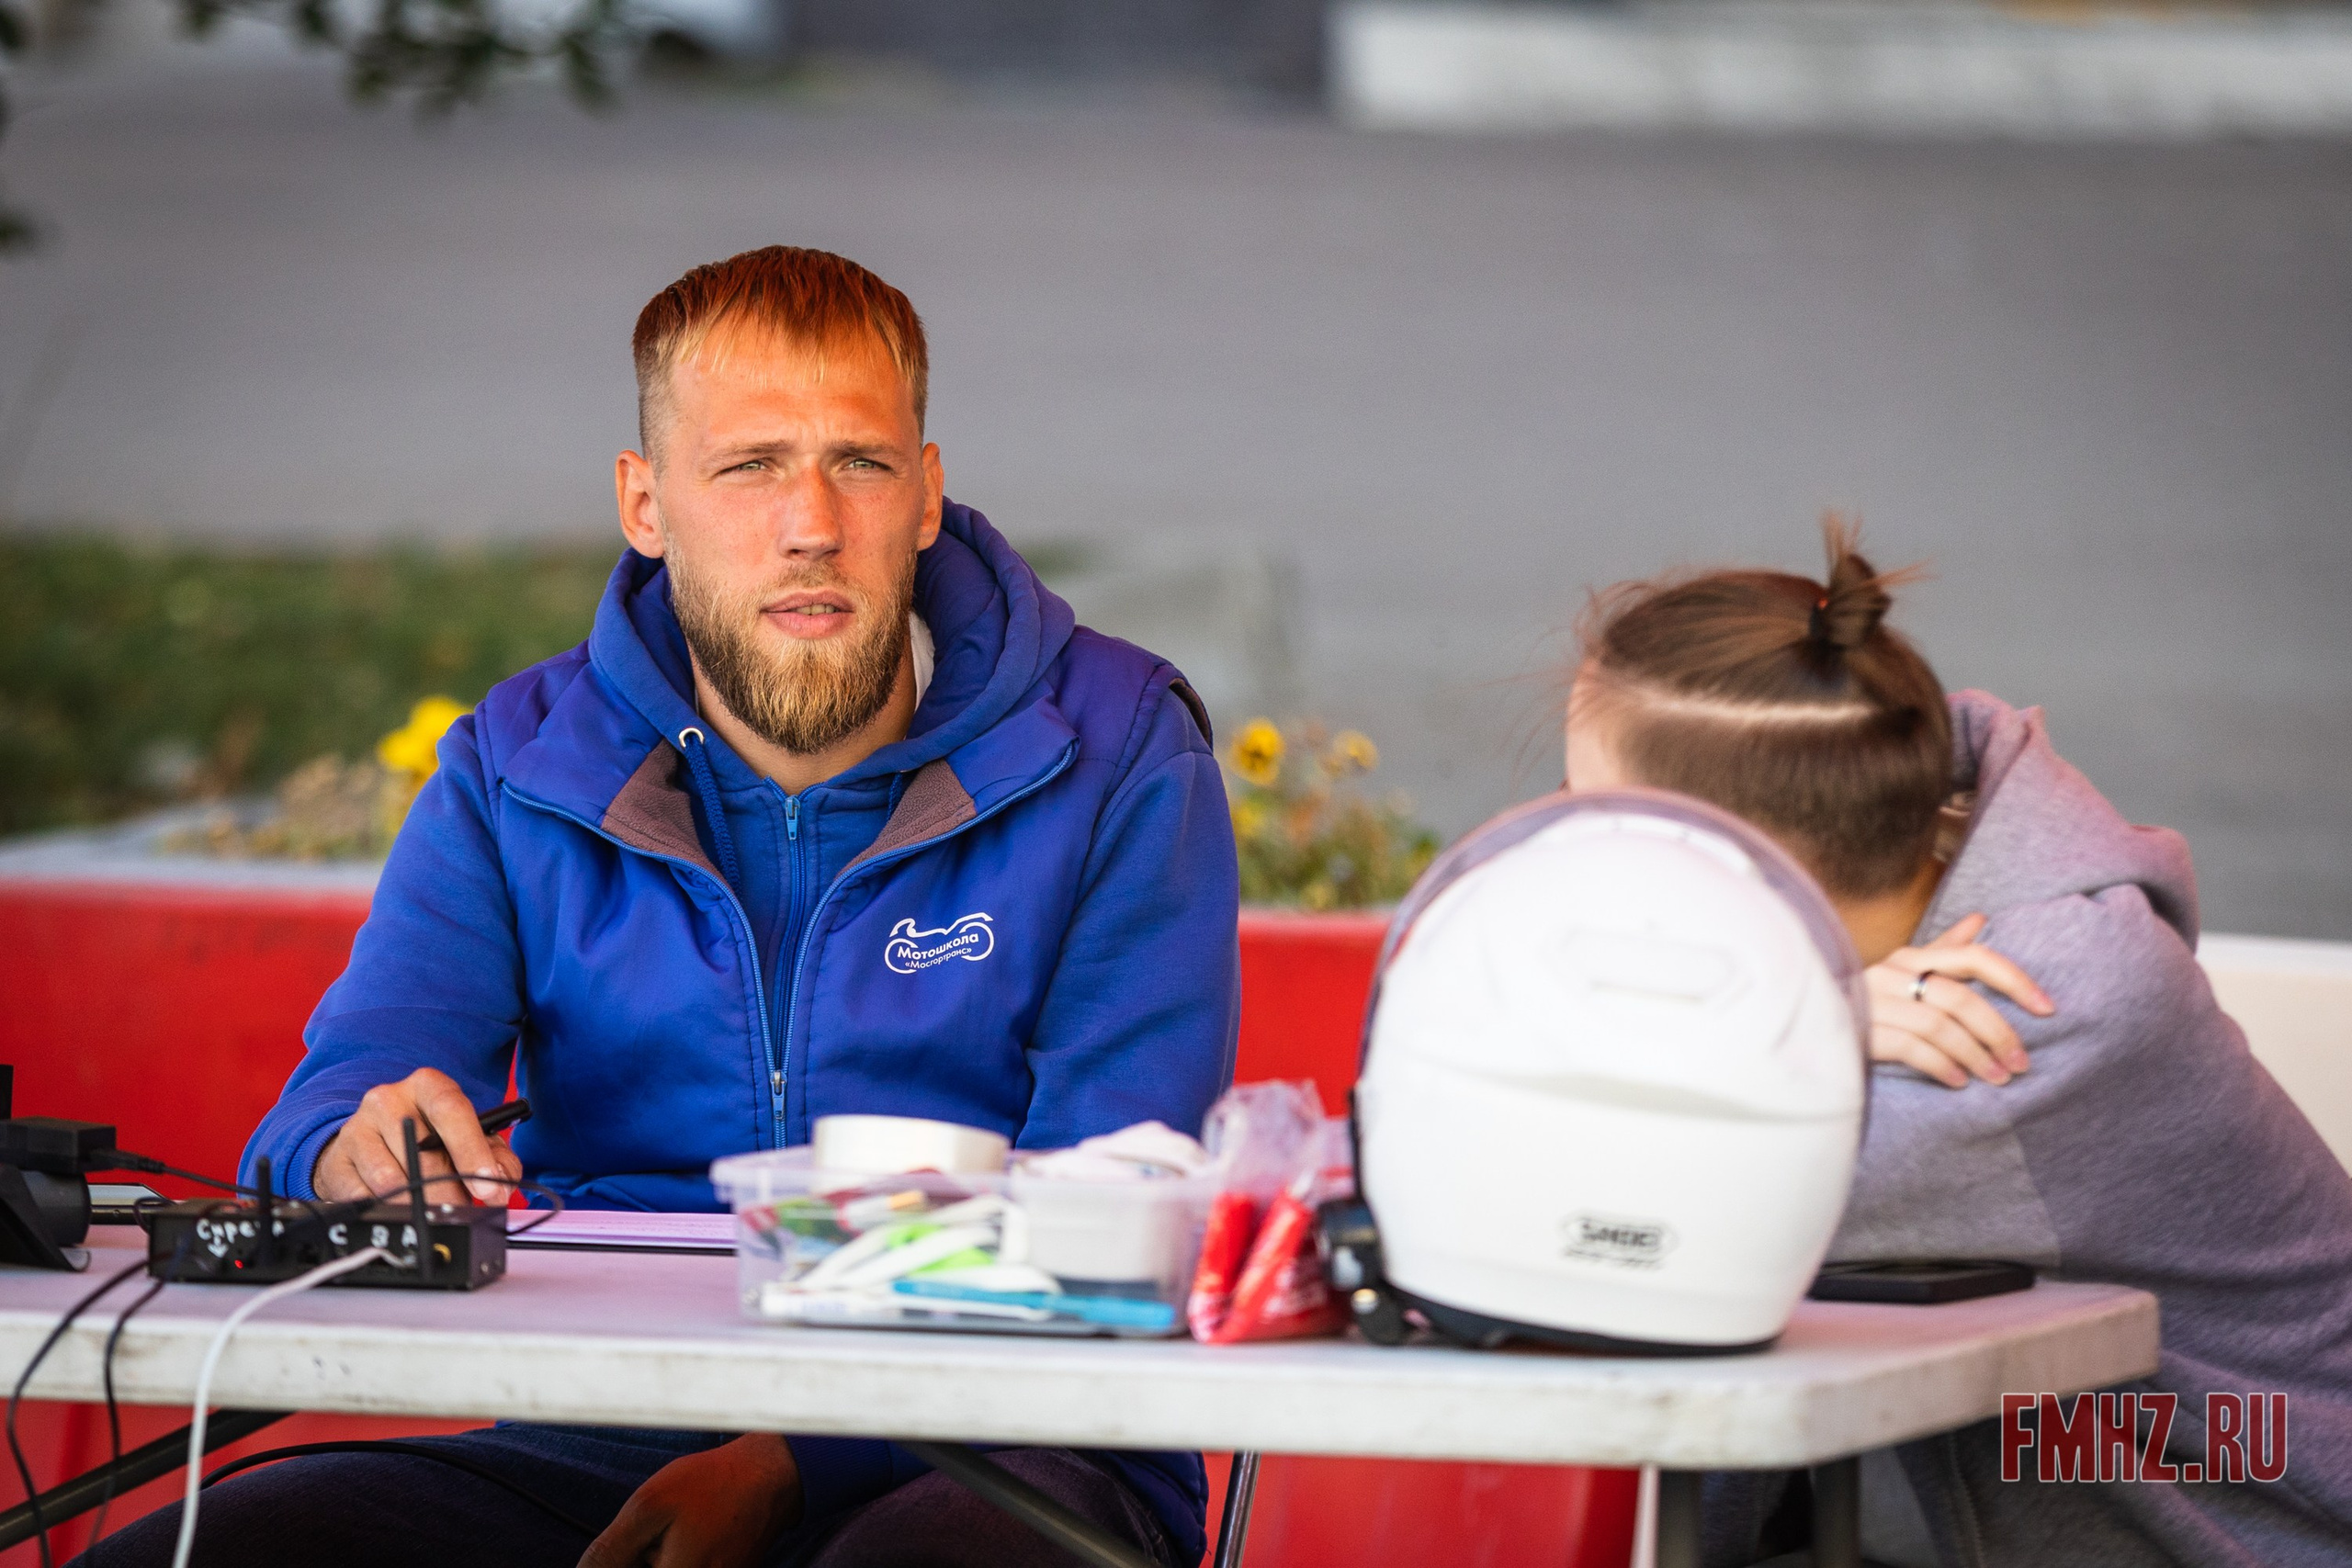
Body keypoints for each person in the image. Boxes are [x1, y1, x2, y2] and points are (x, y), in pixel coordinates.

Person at [81, 246, 1239, 1568]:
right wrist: (361, 1148)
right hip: (593, 1438)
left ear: (926, 494)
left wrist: (796, 1462)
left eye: (858, 461)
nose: (812, 520)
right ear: (646, 503)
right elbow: (321, 1113)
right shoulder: (522, 760)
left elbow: (1120, 1227)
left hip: (1019, 1451)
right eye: (749, 465)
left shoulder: (1118, 748)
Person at [1562, 522, 2352, 1566]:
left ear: (1732, 866)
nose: (1571, 870)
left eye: (1595, 828)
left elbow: (1578, 1221)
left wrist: (1760, 1019)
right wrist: (1789, 1007)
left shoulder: (2002, 1025)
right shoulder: (1904, 912)